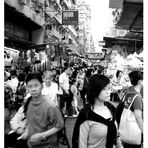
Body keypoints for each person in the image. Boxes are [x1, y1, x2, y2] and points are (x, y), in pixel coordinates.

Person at [72, 74, 120, 148]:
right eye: (104, 89)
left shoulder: (111, 108)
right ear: (95, 90)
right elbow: (81, 143)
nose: (109, 92)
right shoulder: (87, 114)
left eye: (109, 88)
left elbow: (116, 135)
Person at [21, 73, 64, 148]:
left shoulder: (51, 106)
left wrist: (42, 135)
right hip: (31, 145)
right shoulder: (27, 103)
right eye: (30, 86)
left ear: (42, 86)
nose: (33, 89)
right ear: (27, 88)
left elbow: (60, 125)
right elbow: (30, 121)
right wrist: (26, 131)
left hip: (49, 145)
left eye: (36, 85)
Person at [121, 70, 143, 148]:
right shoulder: (137, 97)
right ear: (140, 81)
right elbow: (138, 117)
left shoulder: (128, 91)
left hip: (125, 130)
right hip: (134, 132)